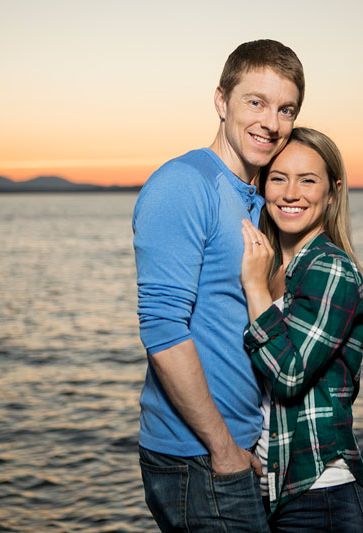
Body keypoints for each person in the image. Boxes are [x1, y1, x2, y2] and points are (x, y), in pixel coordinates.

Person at [132, 40, 304, 531]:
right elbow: (163, 330)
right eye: (256, 102)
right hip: (197, 457)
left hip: (238, 447)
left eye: (285, 109)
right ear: (221, 100)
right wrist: (222, 447)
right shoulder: (184, 184)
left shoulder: (253, 196)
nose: (271, 122)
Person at [240, 128, 363, 532]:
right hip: (273, 490)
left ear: (333, 191)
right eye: (278, 177)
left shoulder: (330, 268)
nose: (290, 193)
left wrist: (252, 286)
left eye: (308, 180)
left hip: (324, 496)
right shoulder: (269, 266)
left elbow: (288, 377)